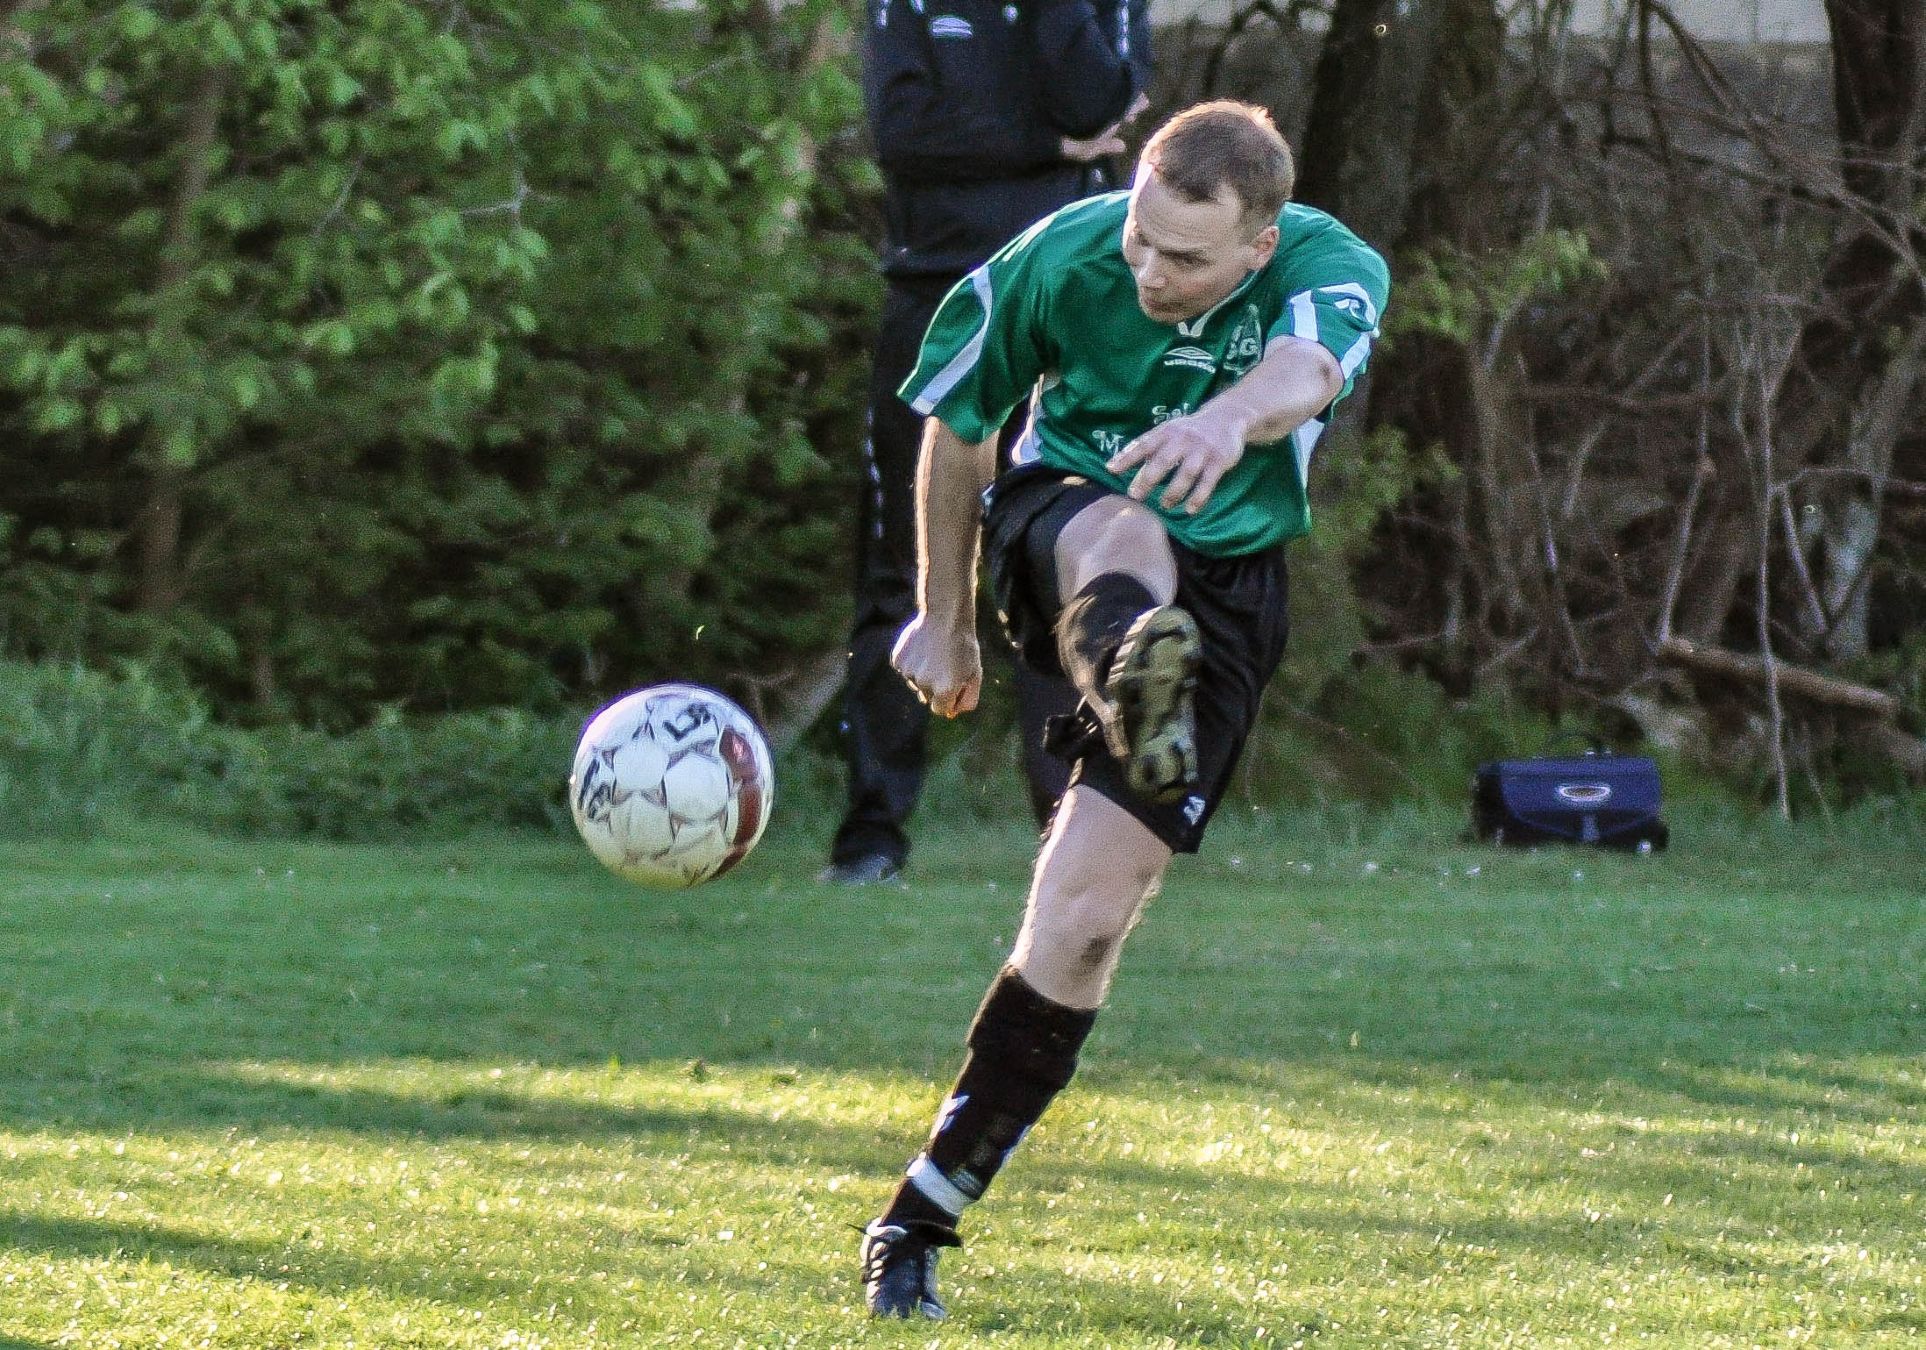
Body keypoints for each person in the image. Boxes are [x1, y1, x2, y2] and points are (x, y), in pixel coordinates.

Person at [857, 100, 1390, 1318]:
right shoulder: (1064, 255)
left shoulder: (1327, 264)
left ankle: (918, 1217)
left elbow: (1308, 369)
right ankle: (1131, 666)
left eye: (1186, 258)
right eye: (1142, 239)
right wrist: (942, 618)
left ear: (1259, 243)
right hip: (1068, 520)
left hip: (1231, 588)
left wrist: (1225, 418)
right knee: (1128, 531)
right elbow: (957, 425)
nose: (1150, 270)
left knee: (1086, 922)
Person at [823, 0, 1153, 885]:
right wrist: (1048, 146)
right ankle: (870, 839)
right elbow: (905, 136)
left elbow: (1098, 104)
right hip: (934, 291)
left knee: (1063, 563)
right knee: (902, 569)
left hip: (1065, 309)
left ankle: (1069, 830)